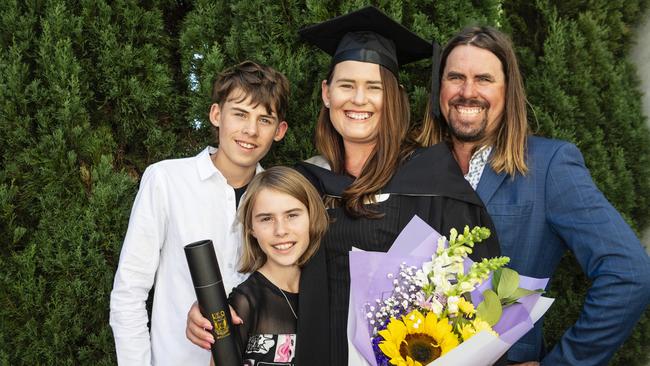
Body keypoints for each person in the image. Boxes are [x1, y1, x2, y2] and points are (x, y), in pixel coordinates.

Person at [187, 7, 501, 365]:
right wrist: (215, 310)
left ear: (394, 96)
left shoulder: (433, 181)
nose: (358, 100)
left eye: (374, 88)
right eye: (346, 85)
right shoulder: (305, 184)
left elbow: (480, 301)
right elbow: (268, 271)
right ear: (326, 93)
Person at [417, 26, 650, 365]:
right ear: (440, 88)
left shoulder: (548, 167)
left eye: (484, 79)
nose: (468, 91)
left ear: (507, 90)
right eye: (455, 77)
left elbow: (629, 273)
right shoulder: (414, 165)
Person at [109, 60, 289, 366]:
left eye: (264, 120)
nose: (250, 130)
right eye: (240, 114)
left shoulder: (281, 201)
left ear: (279, 131)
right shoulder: (166, 180)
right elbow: (129, 294)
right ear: (216, 114)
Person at [208, 166, 328, 366]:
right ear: (251, 229)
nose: (280, 230)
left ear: (311, 216)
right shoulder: (244, 303)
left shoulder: (332, 287)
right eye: (266, 219)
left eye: (292, 215)